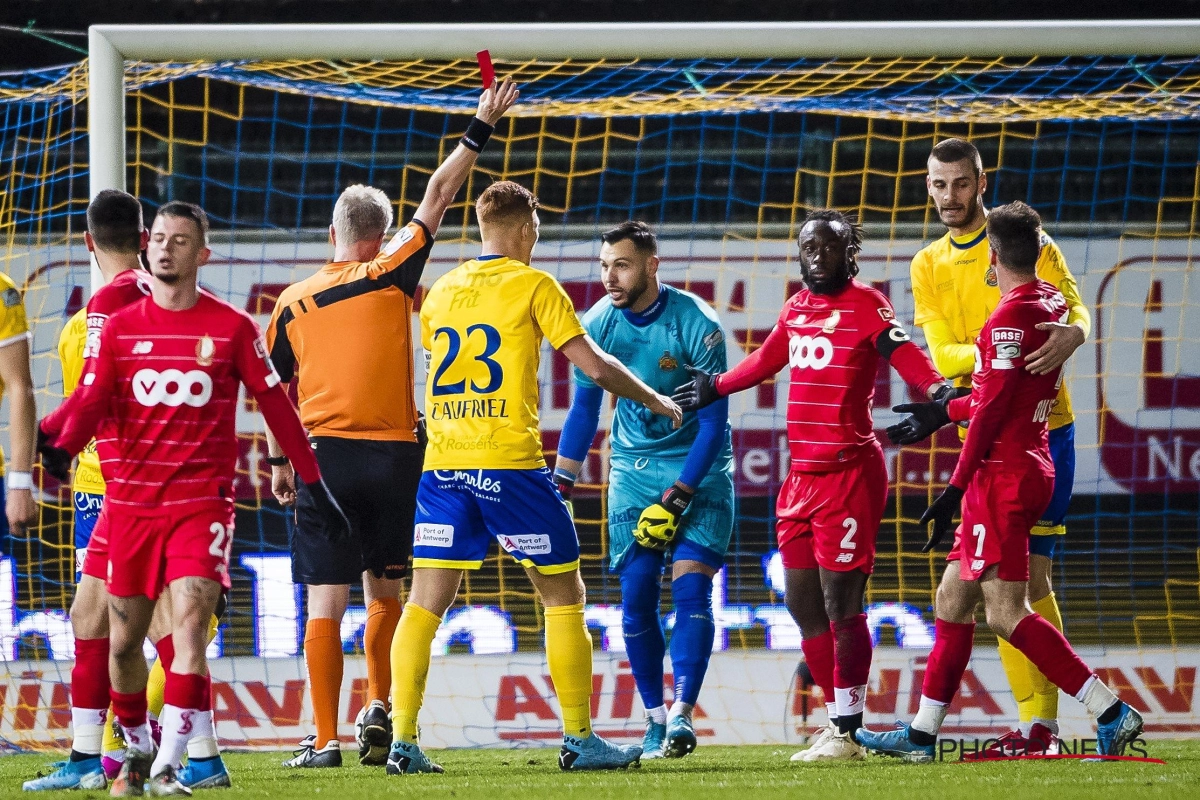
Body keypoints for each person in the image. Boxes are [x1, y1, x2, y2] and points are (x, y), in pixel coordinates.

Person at [37, 201, 349, 796]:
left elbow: (278, 407)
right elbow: (94, 396)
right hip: (126, 505)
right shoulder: (116, 320)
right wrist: (59, 440)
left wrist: (314, 482)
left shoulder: (231, 327)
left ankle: (167, 767)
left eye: (180, 240)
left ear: (201, 254)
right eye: (159, 237)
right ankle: (142, 746)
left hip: (200, 506)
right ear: (143, 242)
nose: (166, 248)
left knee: (187, 631)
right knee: (123, 642)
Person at [265, 77, 519, 769]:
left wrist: (279, 464)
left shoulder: (291, 302)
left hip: (325, 460)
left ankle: (323, 742)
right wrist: (478, 126)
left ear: (332, 235)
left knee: (325, 601)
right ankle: (381, 709)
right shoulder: (394, 272)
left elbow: (270, 392)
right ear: (380, 235)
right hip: (400, 457)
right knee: (388, 590)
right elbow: (437, 195)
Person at [387, 181, 682, 775]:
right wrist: (656, 398)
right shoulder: (534, 284)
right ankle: (579, 737)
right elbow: (593, 366)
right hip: (510, 466)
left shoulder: (441, 290)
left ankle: (403, 742)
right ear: (528, 228)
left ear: (478, 225)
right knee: (562, 595)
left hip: (444, 466)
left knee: (422, 605)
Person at [857, 201, 1143, 761]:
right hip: (1028, 458)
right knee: (950, 600)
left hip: (1002, 474)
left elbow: (988, 410)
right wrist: (948, 415)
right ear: (1040, 251)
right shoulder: (1051, 302)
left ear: (992, 254)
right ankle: (921, 735)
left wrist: (955, 485)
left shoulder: (1007, 320)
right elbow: (995, 397)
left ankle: (1110, 711)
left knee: (1007, 612)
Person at [672, 209, 955, 761]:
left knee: (841, 602)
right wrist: (717, 387)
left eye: (828, 249)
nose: (816, 258)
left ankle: (848, 731)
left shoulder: (869, 305)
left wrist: (939, 393)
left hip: (850, 473)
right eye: (808, 249)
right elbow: (767, 359)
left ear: (851, 256)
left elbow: (905, 355)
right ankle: (836, 723)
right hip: (800, 477)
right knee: (803, 606)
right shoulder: (797, 308)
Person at [27, 190, 228, 791]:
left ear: (88, 242)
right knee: (105, 620)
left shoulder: (97, 312)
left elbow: (93, 397)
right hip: (159, 482)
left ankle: (121, 755)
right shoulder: (174, 300)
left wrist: (45, 446)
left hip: (119, 488)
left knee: (138, 625)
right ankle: (123, 755)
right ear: (146, 238)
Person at [911, 138, 1091, 752]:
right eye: (939, 185)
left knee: (1025, 585)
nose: (949, 197)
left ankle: (1044, 723)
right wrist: (1002, 358)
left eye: (960, 184)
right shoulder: (928, 264)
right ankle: (942, 729)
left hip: (1043, 432)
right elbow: (942, 355)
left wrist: (1072, 335)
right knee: (971, 590)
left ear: (981, 182)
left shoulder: (1024, 242)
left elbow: (1076, 313)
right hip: (982, 433)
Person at [555, 221, 734, 759]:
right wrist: (561, 479)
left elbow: (714, 423)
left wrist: (679, 493)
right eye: (605, 264)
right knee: (634, 596)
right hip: (633, 469)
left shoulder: (698, 324)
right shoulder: (597, 324)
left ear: (652, 266)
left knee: (690, 590)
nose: (610, 276)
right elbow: (585, 410)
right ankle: (654, 721)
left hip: (698, 468)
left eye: (622, 265)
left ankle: (682, 716)